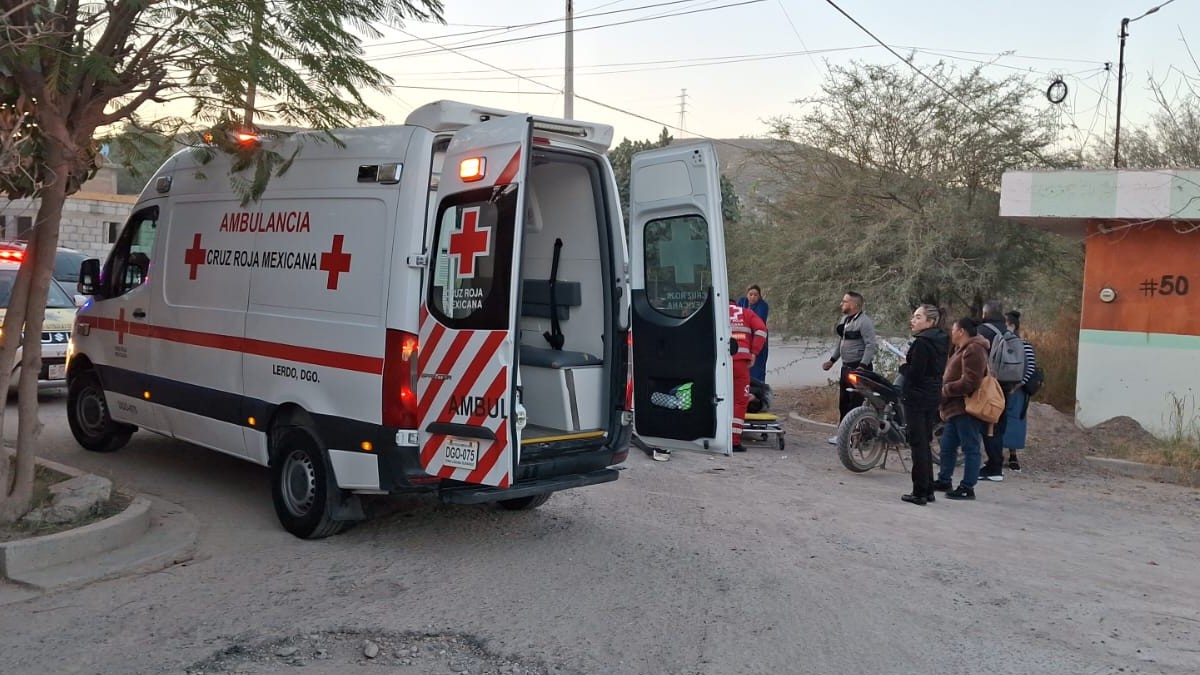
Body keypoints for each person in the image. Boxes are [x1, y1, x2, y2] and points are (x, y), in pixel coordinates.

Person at [933, 317, 989, 501]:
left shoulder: (974, 349)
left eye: (954, 329)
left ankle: (967, 487)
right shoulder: (961, 349)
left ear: (962, 331)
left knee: (970, 447)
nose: (951, 333)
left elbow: (971, 381)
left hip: (965, 408)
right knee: (947, 446)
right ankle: (944, 479)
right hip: (953, 408)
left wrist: (946, 390)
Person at [899, 304, 949, 506]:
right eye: (914, 316)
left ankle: (919, 492)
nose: (914, 320)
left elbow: (915, 373)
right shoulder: (941, 340)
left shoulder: (921, 343)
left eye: (918, 317)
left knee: (918, 444)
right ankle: (927, 489)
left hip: (917, 397)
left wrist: (903, 367)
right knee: (924, 443)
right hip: (932, 395)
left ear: (930, 322)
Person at [821, 291, 876, 443]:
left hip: (858, 370)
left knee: (855, 403)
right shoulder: (845, 320)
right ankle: (843, 435)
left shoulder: (864, 322)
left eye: (844, 301)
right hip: (846, 368)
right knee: (844, 402)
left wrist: (862, 366)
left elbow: (871, 345)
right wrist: (832, 360)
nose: (841, 304)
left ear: (854, 305)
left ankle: (855, 437)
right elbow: (842, 342)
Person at [975, 300, 1015, 482]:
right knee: (999, 424)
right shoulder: (1009, 332)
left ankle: (994, 467)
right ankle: (995, 463)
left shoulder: (983, 332)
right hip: (1006, 385)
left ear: (985, 314)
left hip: (988, 385)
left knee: (989, 425)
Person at [730, 300, 767, 453]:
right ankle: (734, 441)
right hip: (740, 363)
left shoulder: (717, 311)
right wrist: (754, 353)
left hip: (719, 363)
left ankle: (714, 434)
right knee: (740, 401)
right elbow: (761, 330)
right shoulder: (746, 313)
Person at [1003, 310, 1037, 472]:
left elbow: (1030, 368)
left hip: (1017, 391)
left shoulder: (1025, 345)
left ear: (1011, 325)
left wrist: (1018, 385)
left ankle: (1013, 455)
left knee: (1014, 421)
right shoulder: (1001, 343)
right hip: (1002, 387)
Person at [737, 285, 770, 382]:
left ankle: (759, 389)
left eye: (756, 295)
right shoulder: (742, 302)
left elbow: (759, 322)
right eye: (750, 294)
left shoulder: (763, 306)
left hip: (759, 339)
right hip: (745, 340)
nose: (753, 297)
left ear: (759, 296)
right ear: (747, 294)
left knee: (758, 367)